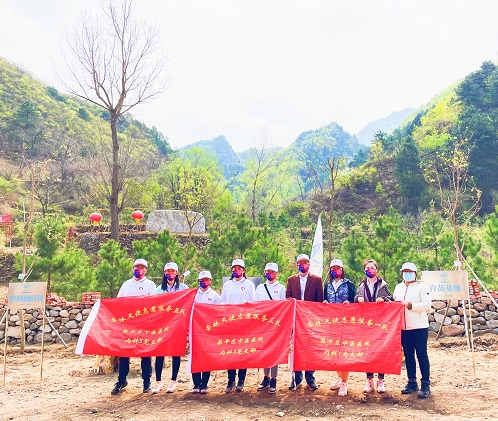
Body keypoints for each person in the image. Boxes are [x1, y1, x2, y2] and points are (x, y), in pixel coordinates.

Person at [111, 258, 156, 395]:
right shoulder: (126, 285)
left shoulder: (150, 285)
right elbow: (118, 303)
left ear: (146, 270)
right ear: (132, 269)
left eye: (142, 267)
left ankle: (146, 383)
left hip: (144, 324)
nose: (139, 270)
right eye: (136, 267)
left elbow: (154, 304)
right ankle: (121, 380)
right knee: (124, 353)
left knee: (145, 354)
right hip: (128, 324)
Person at [392, 262, 432, 399]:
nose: (407, 273)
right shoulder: (398, 287)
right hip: (404, 327)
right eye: (404, 271)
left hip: (419, 326)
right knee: (408, 355)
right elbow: (394, 302)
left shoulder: (421, 287)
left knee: (421, 354)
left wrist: (410, 305)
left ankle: (425, 383)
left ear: (415, 273)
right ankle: (412, 382)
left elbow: (427, 304)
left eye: (410, 271)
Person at [354, 259, 393, 394]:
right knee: (367, 352)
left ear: (377, 269)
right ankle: (369, 380)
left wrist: (384, 300)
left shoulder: (383, 285)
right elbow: (356, 298)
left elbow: (391, 299)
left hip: (380, 324)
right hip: (366, 324)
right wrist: (358, 298)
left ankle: (381, 380)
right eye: (367, 268)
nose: (370, 270)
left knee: (381, 351)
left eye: (372, 267)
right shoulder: (361, 285)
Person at [286, 253, 323, 391]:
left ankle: (310, 378)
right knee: (295, 349)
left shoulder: (317, 280)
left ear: (309, 264)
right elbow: (288, 297)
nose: (303, 265)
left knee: (310, 349)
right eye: (300, 263)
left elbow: (319, 301)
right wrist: (293, 302)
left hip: (310, 320)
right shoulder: (291, 280)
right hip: (295, 319)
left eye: (305, 263)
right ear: (297, 265)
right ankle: (296, 378)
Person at [151, 262, 189, 394]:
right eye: (167, 271)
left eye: (172, 271)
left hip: (178, 326)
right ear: (164, 273)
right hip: (162, 325)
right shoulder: (158, 290)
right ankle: (158, 381)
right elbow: (153, 306)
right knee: (160, 353)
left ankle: (173, 381)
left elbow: (189, 305)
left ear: (177, 273)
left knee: (176, 353)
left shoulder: (184, 288)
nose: (170, 273)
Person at [220, 258, 256, 393]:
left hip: (244, 324)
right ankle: (230, 380)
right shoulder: (227, 285)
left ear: (244, 270)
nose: (237, 271)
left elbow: (253, 304)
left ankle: (241, 380)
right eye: (234, 269)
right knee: (231, 352)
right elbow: (222, 303)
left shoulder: (249, 285)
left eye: (239, 268)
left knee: (242, 352)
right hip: (230, 324)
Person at [323, 258, 356, 397]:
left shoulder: (349, 285)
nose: (335, 271)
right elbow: (324, 300)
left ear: (342, 270)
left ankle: (344, 381)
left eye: (338, 268)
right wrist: (324, 302)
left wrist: (350, 303)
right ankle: (338, 376)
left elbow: (355, 302)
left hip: (345, 322)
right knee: (334, 350)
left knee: (344, 352)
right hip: (332, 322)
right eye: (333, 268)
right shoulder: (328, 285)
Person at [255, 262, 286, 394]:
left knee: (274, 351)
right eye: (268, 272)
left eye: (272, 272)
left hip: (276, 325)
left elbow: (284, 307)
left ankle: (274, 379)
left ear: (277, 274)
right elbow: (255, 305)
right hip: (262, 324)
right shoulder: (260, 288)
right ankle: (266, 377)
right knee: (264, 351)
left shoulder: (281, 288)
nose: (270, 274)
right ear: (264, 272)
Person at [191, 270, 221, 394]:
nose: (205, 282)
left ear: (210, 281)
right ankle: (196, 383)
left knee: (207, 356)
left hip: (209, 330)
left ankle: (204, 384)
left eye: (207, 280)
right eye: (202, 280)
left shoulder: (215, 296)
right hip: (196, 330)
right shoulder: (193, 295)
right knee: (195, 356)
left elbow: (219, 312)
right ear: (199, 281)